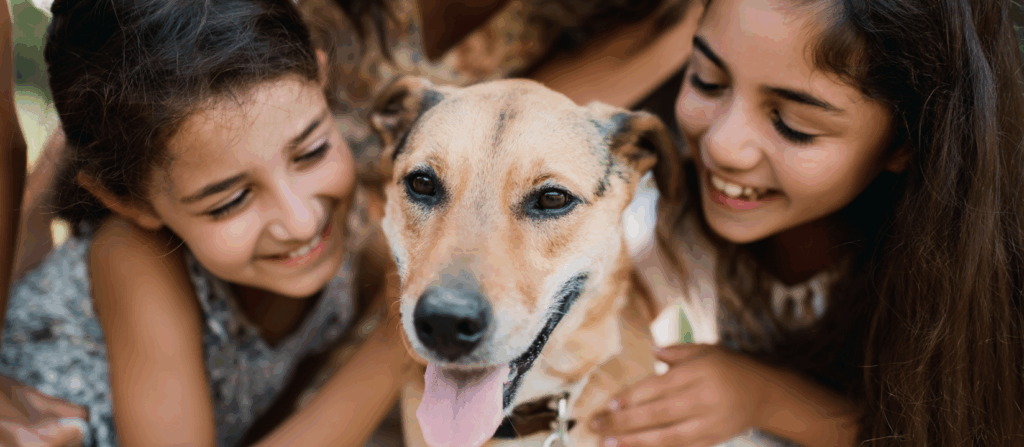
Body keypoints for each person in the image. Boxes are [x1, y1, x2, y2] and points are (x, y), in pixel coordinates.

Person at [587, 0, 1024, 446]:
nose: (723, 145)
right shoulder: (669, 218)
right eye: (708, 80)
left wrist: (764, 398)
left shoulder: (969, 286)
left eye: (794, 125)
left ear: (906, 141)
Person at [0, 0, 409, 446]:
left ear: (321, 76)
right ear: (127, 199)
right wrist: (393, 347)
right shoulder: (130, 256)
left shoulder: (347, 240)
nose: (301, 220)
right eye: (230, 201)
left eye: (312, 152)